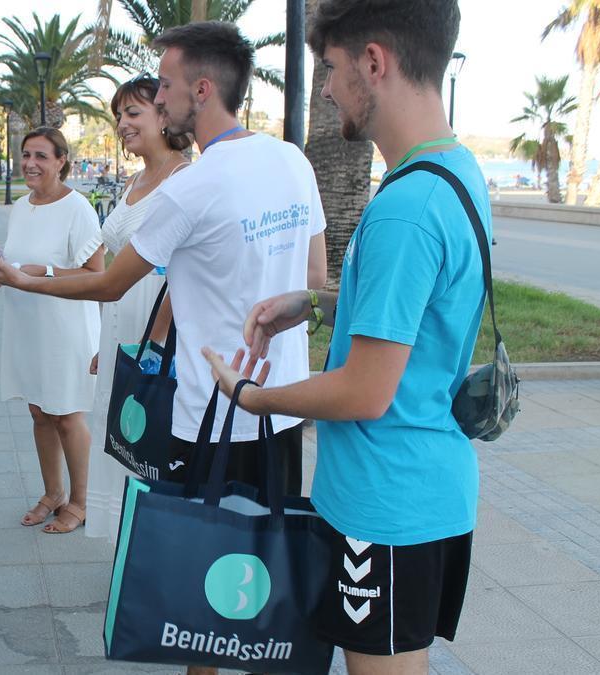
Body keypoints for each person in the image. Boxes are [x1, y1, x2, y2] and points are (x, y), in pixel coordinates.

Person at [202, 2, 485, 673]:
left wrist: (251, 395)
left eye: (330, 69)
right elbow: (422, 315)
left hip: (385, 504)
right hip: (425, 484)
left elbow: (365, 390)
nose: (325, 89)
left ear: (374, 62)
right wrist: (317, 303)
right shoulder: (454, 171)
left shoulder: (406, 209)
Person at [0, 21, 327, 525]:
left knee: (195, 560)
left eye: (165, 83)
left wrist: (21, 278)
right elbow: (314, 275)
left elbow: (109, 282)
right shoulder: (292, 159)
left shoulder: (192, 185)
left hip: (209, 407)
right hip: (280, 401)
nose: (160, 97)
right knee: (262, 556)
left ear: (201, 90)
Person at [84, 74, 192, 542]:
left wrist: (151, 344)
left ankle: (152, 549)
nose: (122, 123)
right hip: (121, 322)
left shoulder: (185, 178)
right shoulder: (135, 178)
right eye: (118, 116)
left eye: (133, 113)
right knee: (120, 438)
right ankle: (126, 547)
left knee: (149, 437)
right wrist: (107, 344)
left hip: (155, 330)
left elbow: (181, 274)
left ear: (164, 116)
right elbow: (110, 266)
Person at [0, 127, 104, 534]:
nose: (31, 163)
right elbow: (20, 264)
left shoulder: (78, 208)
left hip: (65, 325)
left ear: (61, 161)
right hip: (26, 324)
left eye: (42, 156)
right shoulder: (20, 205)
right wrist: (0, 275)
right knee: (38, 411)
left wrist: (41, 272)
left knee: (66, 415)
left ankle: (81, 503)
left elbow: (96, 274)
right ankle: (53, 494)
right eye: (26, 154)